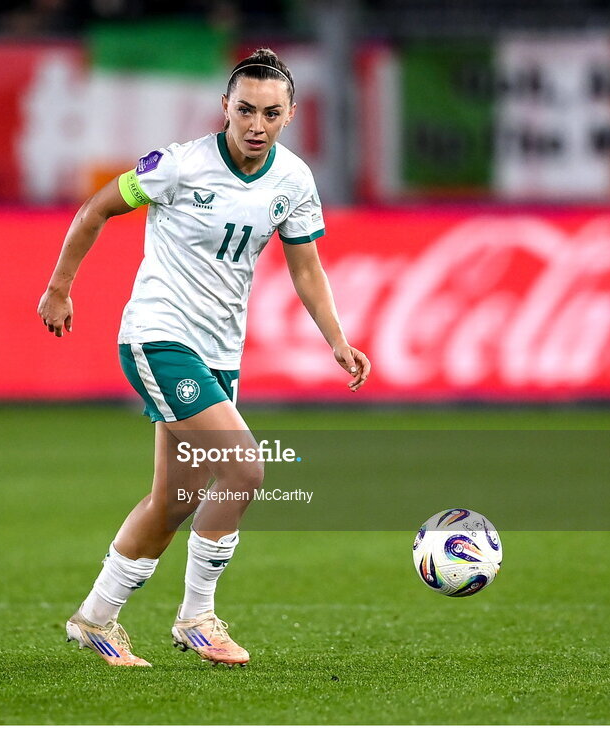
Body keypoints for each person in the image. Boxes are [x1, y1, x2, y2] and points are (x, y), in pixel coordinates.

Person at [37, 48, 370, 667]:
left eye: (271, 113)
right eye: (244, 109)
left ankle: (95, 618)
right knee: (246, 470)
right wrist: (59, 287)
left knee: (175, 501)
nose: (256, 124)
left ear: (290, 114)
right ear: (225, 108)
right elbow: (96, 210)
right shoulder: (178, 165)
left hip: (219, 353)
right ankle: (198, 618)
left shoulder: (293, 180)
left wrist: (336, 339)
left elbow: (307, 267)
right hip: (158, 336)